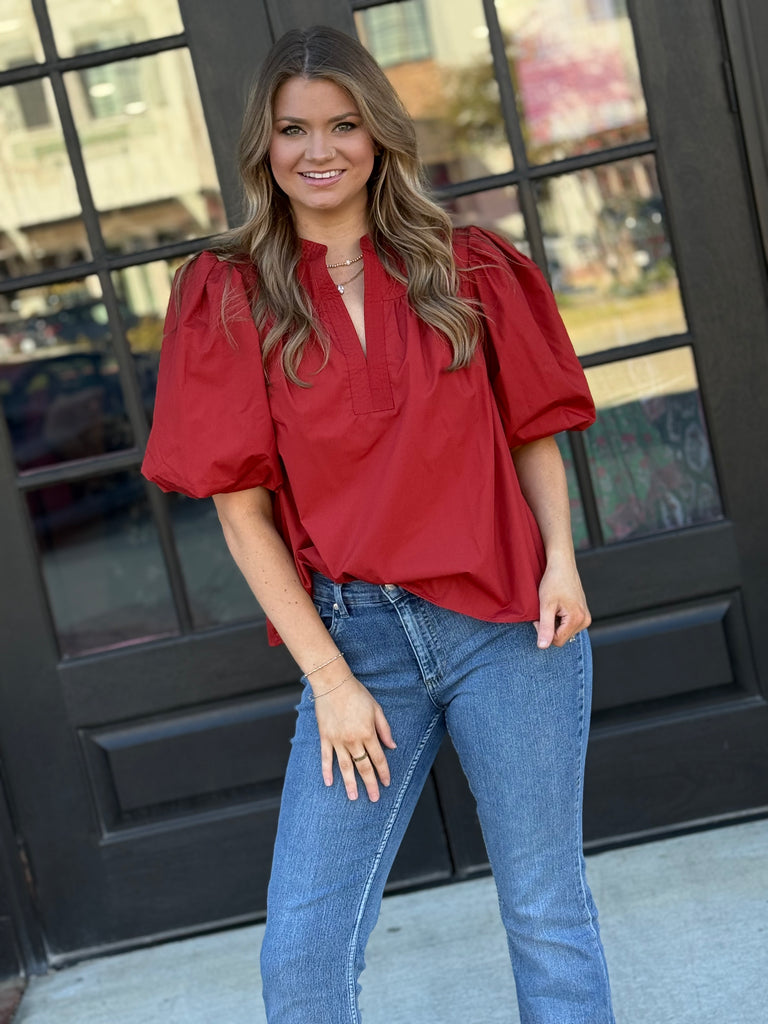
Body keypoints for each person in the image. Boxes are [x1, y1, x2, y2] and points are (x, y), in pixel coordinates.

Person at [142, 24, 615, 1024]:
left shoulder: (466, 264)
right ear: (264, 144)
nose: (319, 150)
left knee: (546, 911)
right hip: (356, 643)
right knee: (302, 952)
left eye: (343, 124)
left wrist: (561, 563)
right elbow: (241, 512)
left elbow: (532, 429)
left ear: (379, 134)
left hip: (510, 624)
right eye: (294, 129)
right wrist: (330, 680)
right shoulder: (228, 294)